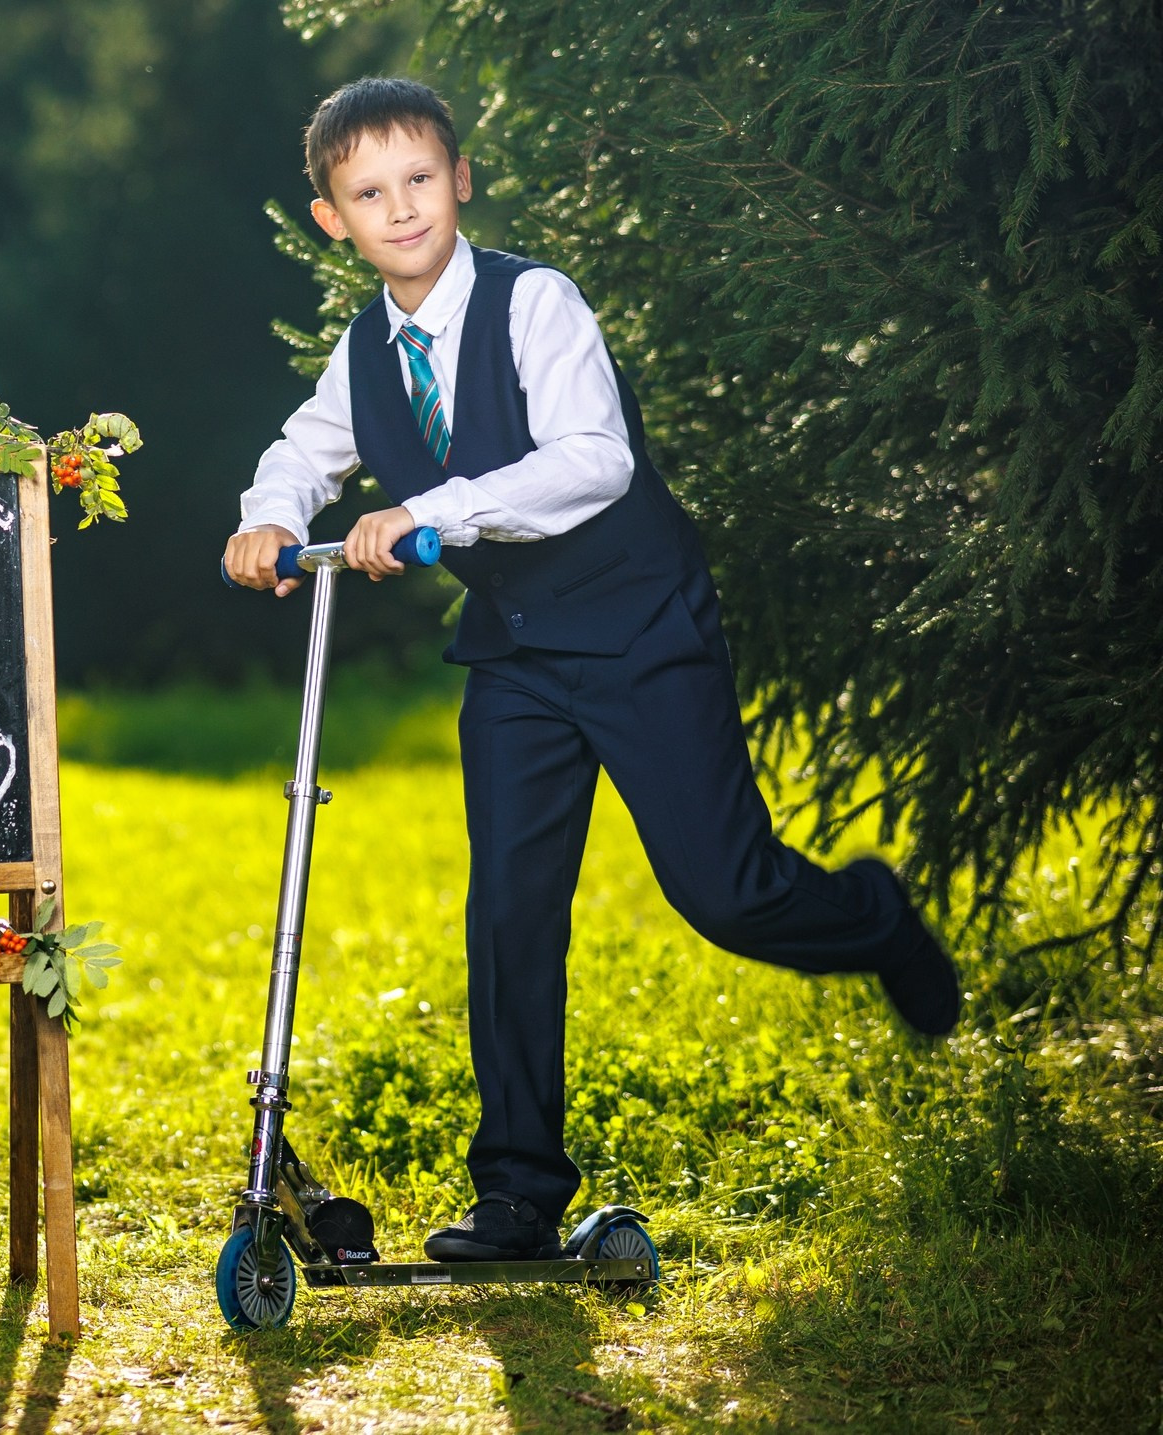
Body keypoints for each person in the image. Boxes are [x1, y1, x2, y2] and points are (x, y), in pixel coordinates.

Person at [224, 78, 960, 1264]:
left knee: (726, 893)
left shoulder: (533, 304)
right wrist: (267, 520)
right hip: (517, 658)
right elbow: (301, 453)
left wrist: (432, 511)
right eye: (369, 193)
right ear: (332, 221)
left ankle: (871, 917)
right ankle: (519, 1194)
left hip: (637, 630)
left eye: (420, 179)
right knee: (510, 914)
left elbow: (592, 462)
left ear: (460, 179)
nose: (401, 208)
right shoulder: (366, 354)